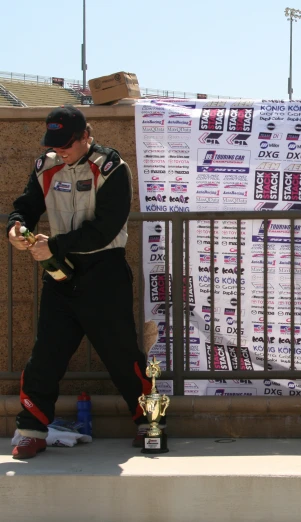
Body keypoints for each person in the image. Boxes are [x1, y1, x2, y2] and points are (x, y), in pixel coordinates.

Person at [7, 105, 153, 459]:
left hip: (104, 272)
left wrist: (52, 245)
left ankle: (150, 422)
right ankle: (31, 429)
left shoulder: (112, 168)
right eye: (53, 143)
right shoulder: (46, 164)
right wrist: (15, 225)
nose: (59, 150)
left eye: (66, 143)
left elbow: (106, 227)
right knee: (46, 355)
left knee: (121, 355)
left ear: (86, 136)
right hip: (60, 274)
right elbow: (26, 205)